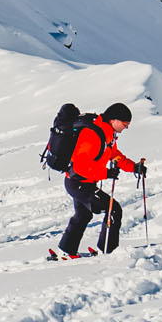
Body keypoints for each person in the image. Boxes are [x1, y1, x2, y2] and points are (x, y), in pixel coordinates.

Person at [55, 102, 145, 258]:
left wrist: (133, 167)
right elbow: (80, 166)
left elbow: (116, 156)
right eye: (124, 124)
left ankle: (66, 249)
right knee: (113, 210)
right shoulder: (93, 136)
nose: (126, 127)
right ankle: (108, 252)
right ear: (114, 120)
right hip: (78, 182)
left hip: (83, 182)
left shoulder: (106, 134)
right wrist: (106, 173)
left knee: (83, 215)